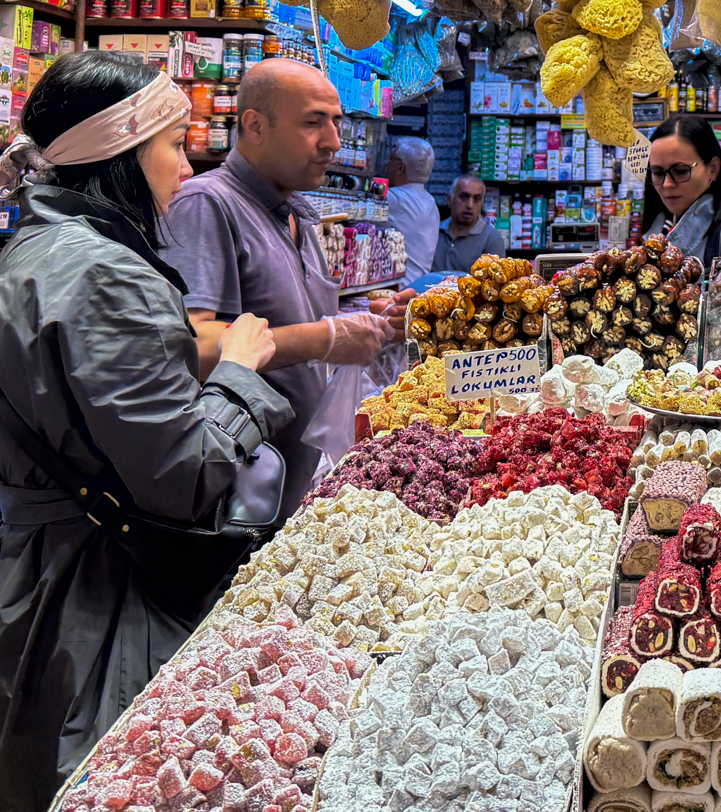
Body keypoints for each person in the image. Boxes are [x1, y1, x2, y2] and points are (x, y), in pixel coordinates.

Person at [0, 51, 291, 811]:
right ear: (119, 153)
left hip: (24, 586)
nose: (187, 167)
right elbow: (184, 476)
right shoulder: (108, 274)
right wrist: (239, 373)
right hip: (98, 610)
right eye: (173, 144)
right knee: (99, 779)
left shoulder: (26, 256)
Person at [161, 59, 399, 520]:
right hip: (232, 500)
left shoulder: (295, 213)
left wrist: (376, 323)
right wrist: (324, 338)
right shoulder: (208, 204)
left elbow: (291, 321)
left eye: (335, 122)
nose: (333, 141)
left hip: (288, 488)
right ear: (255, 126)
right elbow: (189, 345)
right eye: (313, 123)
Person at [640, 114, 721, 263]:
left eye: (680, 171)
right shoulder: (656, 229)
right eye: (658, 173)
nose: (667, 184)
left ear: (713, 169)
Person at [386, 136, 441, 282]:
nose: (387, 164)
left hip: (399, 286)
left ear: (400, 167)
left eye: (390, 158)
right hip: (419, 285)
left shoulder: (395, 199)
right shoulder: (431, 202)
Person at [432, 173, 507, 273]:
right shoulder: (434, 232)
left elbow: (496, 279)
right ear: (449, 199)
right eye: (464, 197)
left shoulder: (491, 238)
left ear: (482, 203)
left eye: (477, 199)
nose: (470, 205)